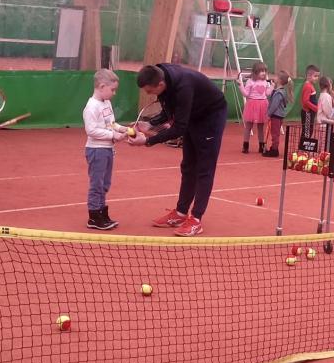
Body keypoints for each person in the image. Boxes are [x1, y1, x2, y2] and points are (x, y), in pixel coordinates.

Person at [128, 63, 227, 237]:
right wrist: (150, 123)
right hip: (193, 115)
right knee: (188, 166)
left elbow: (179, 128)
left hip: (211, 117)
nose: (149, 94)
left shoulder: (184, 87)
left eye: (150, 91)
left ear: (160, 84)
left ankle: (196, 219)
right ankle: (181, 213)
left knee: (204, 169)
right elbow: (170, 110)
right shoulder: (162, 77)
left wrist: (148, 141)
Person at [82, 69, 128, 230]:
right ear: (102, 86)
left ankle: (102, 213)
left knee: (105, 184)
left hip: (108, 150)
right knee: (97, 184)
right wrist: (113, 135)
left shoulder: (106, 103)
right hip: (96, 151)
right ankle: (94, 217)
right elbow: (91, 130)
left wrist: (122, 129)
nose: (114, 93)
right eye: (112, 89)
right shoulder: (91, 107)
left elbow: (111, 123)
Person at [238, 62, 272, 154]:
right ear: (255, 72)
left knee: (261, 127)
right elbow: (246, 94)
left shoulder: (266, 82)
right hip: (252, 105)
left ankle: (261, 146)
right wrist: (241, 86)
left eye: (265, 71)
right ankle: (245, 146)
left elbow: (267, 93)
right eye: (261, 71)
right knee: (248, 127)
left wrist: (272, 86)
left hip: (263, 105)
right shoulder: (250, 81)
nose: (264, 73)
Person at [262, 70, 293, 158]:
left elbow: (274, 105)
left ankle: (274, 150)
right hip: (278, 115)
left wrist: (268, 114)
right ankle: (274, 148)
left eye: (276, 77)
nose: (274, 78)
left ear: (279, 80)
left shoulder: (279, 93)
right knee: (275, 133)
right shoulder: (281, 91)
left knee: (275, 134)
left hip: (276, 116)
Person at [300, 65, 320, 138]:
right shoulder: (308, 86)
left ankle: (304, 144)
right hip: (307, 113)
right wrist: (315, 108)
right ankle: (303, 145)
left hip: (310, 113)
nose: (317, 78)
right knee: (307, 133)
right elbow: (305, 101)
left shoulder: (310, 85)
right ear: (308, 76)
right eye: (315, 76)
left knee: (309, 131)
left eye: (318, 76)